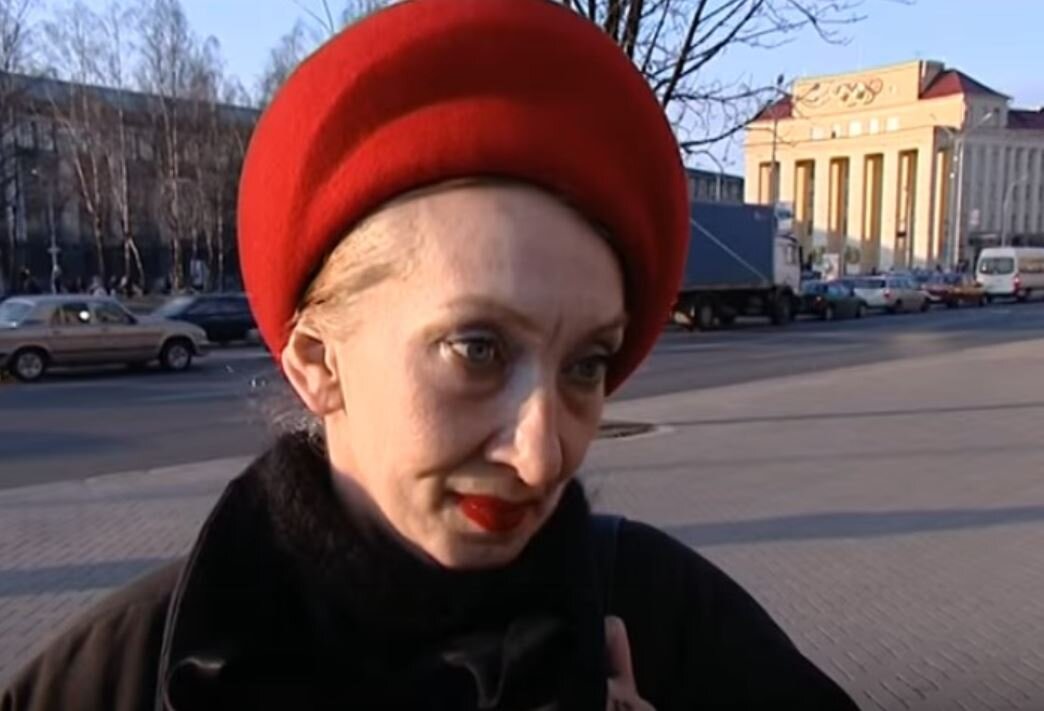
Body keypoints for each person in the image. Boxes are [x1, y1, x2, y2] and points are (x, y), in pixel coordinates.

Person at [1, 2, 858, 710]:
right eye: (477, 349)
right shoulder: (123, 673)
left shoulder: (671, 624)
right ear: (317, 361)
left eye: (585, 364)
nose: (543, 455)